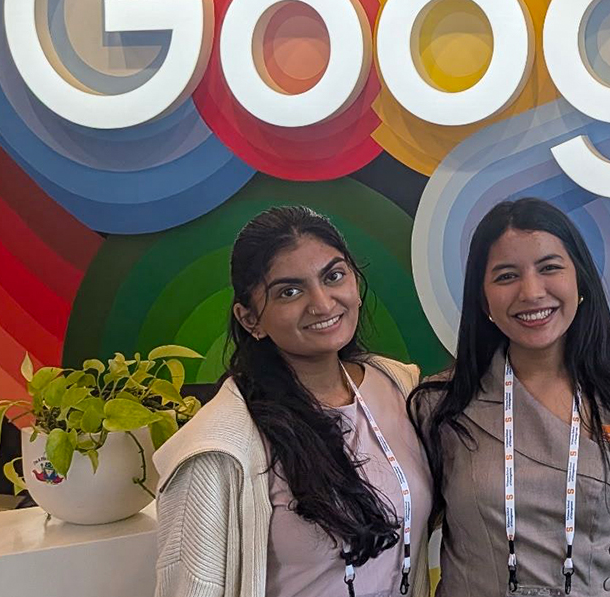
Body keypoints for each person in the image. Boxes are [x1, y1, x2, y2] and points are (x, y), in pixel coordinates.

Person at [411, 198, 610, 596]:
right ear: (483, 299)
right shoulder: (441, 406)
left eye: (549, 268)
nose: (531, 292)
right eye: (506, 276)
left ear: (580, 281)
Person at [154, 205, 430, 597]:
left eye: (333, 276)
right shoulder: (218, 448)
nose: (322, 303)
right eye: (290, 291)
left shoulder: (399, 385)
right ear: (250, 319)